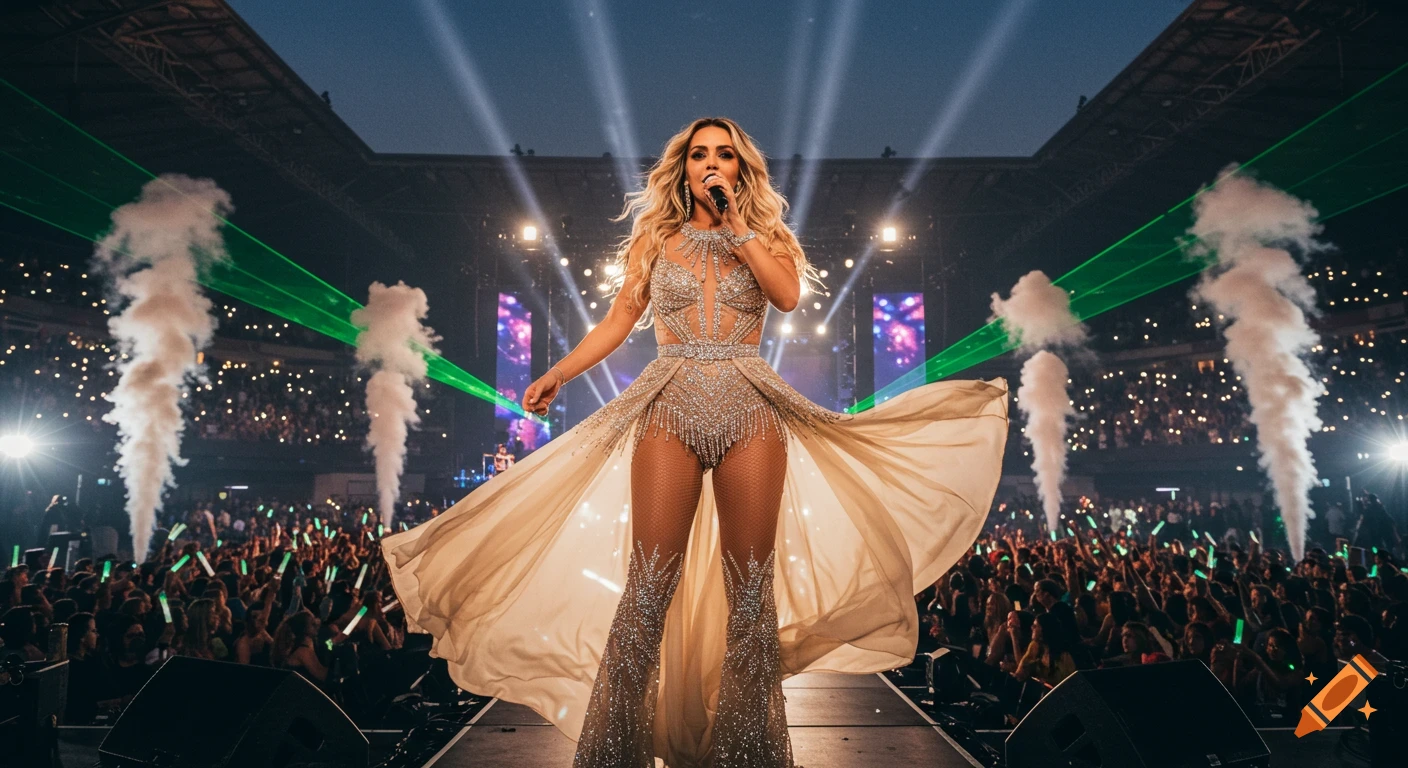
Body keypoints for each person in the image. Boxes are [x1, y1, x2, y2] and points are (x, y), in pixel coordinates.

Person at [380, 117, 1009, 768]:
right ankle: (613, 755)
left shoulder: (767, 237)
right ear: (682, 169)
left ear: (740, 170)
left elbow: (786, 297)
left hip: (751, 410)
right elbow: (619, 320)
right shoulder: (654, 239)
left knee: (750, 595)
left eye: (724, 155)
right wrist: (558, 373)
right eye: (699, 154)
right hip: (669, 407)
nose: (711, 163)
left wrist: (738, 227)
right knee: (648, 588)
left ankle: (749, 755)